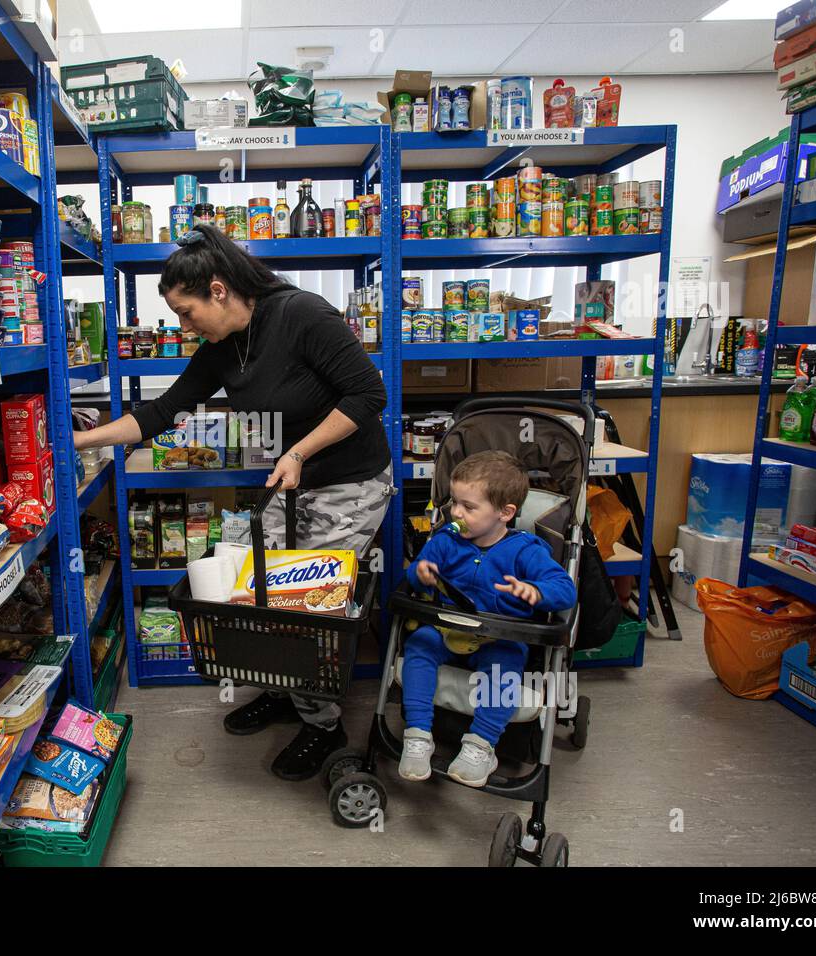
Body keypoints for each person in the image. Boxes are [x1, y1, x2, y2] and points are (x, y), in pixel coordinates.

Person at [73, 224, 392, 780]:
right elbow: (159, 413)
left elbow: (369, 393)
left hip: (349, 480)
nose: (183, 324)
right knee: (249, 589)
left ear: (218, 289)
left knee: (302, 604)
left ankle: (322, 722)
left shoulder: (302, 314)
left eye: (186, 311)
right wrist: (75, 441)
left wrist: (298, 450)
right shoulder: (221, 346)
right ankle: (283, 690)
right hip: (288, 481)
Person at [400, 450, 576, 787]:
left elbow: (564, 589)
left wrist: (535, 591)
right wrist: (419, 573)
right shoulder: (445, 541)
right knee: (420, 644)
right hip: (446, 629)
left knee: (506, 664)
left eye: (468, 506)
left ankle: (481, 745)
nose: (455, 512)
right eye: (454, 502)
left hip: (498, 637)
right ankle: (418, 733)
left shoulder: (526, 551)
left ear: (505, 513)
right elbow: (415, 573)